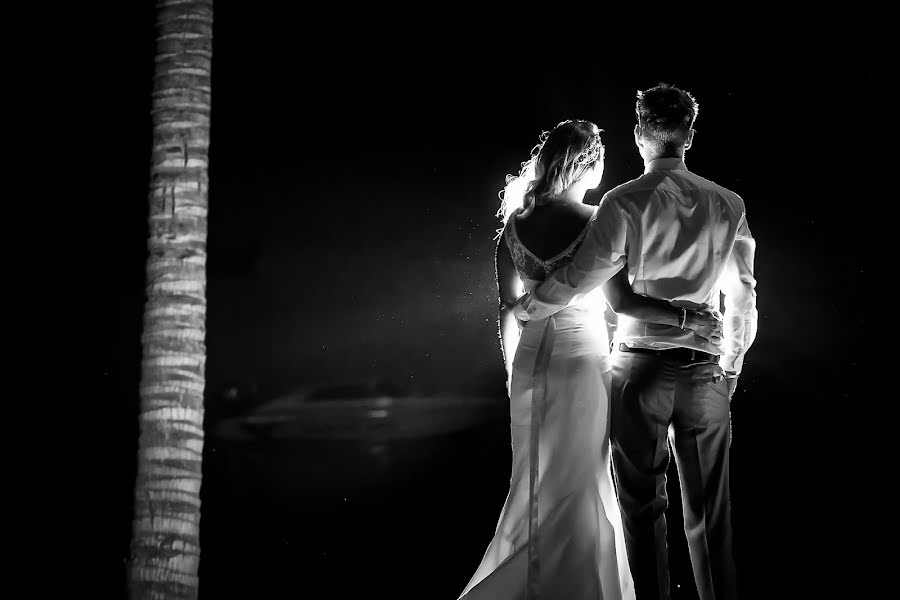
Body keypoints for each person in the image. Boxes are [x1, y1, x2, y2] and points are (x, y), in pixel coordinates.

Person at [459, 119, 723, 600]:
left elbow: (508, 311)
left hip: (529, 362)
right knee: (582, 477)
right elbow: (620, 299)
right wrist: (688, 319)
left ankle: (541, 575)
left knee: (537, 479)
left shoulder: (513, 229)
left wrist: (511, 375)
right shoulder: (594, 219)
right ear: (587, 163)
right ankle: (575, 583)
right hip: (581, 359)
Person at [513, 85, 758, 600]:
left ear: (639, 134)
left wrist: (529, 307)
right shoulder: (728, 204)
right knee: (712, 518)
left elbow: (582, 276)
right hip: (705, 371)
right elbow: (742, 299)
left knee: (643, 510)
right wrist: (731, 365)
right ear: (689, 134)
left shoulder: (623, 201)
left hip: (639, 369)